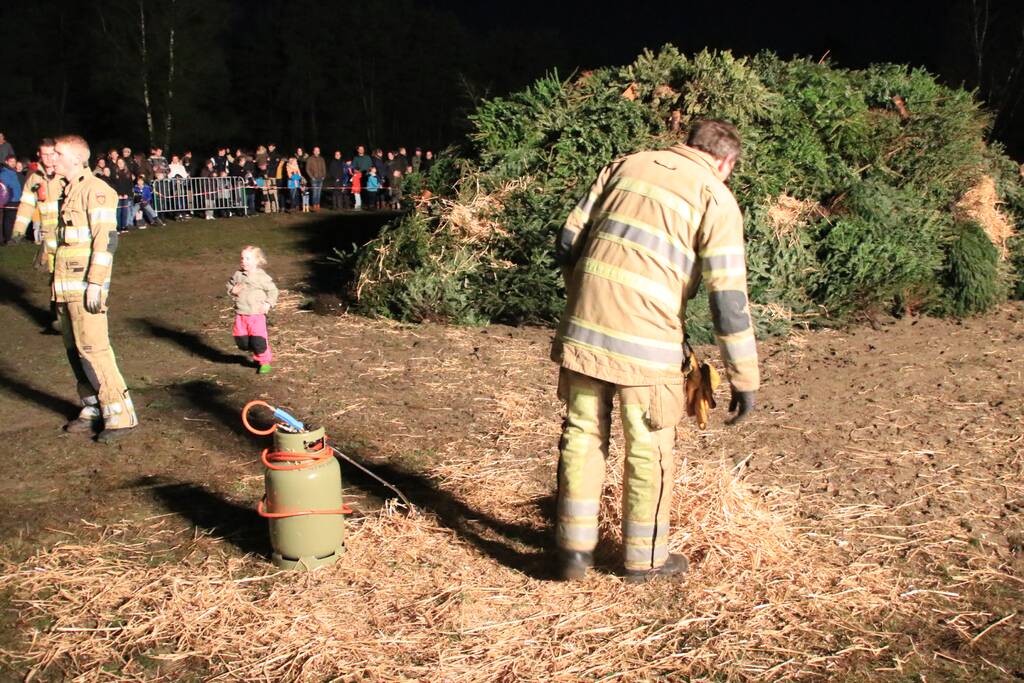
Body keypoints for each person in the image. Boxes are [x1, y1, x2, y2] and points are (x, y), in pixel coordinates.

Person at [550, 119, 759, 583]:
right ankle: (645, 562)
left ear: (689, 145)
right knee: (649, 447)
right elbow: (728, 301)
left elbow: (567, 243)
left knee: (582, 435)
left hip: (584, 333)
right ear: (724, 162)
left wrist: (587, 303)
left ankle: (572, 555)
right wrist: (744, 379)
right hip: (647, 345)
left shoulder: (625, 166)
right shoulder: (715, 196)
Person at [50, 134, 139, 443]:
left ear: (77, 158)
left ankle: (119, 413)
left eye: (59, 154)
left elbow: (105, 241)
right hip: (65, 290)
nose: (53, 158)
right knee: (75, 351)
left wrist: (96, 283)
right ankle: (93, 408)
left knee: (94, 350)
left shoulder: (97, 191)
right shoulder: (68, 191)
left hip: (85, 288)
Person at [227, 245, 279, 374]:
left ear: (257, 261)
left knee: (258, 340)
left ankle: (264, 362)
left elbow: (273, 290)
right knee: (242, 342)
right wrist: (232, 290)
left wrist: (268, 303)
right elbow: (230, 285)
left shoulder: (261, 277)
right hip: (241, 314)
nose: (243, 261)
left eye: (248, 258)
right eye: (242, 258)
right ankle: (256, 351)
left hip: (256, 315)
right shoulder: (238, 274)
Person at [0, 154, 23, 245]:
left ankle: (11, 238)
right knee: (9, 220)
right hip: (9, 200)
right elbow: (4, 187)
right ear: (6, 162)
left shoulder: (13, 172)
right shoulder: (4, 173)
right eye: (11, 161)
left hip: (17, 199)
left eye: (14, 162)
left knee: (14, 219)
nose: (13, 163)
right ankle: (8, 238)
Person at [305, 146, 326, 211]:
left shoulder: (321, 159)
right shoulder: (310, 159)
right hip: (314, 179)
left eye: (318, 150)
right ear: (313, 151)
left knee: (319, 192)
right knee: (314, 192)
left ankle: (318, 205)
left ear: (319, 152)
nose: (317, 152)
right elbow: (307, 169)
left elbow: (324, 168)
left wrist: (323, 176)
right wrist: (312, 177)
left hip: (320, 178)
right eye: (315, 150)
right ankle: (314, 205)